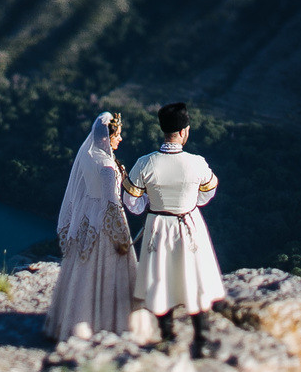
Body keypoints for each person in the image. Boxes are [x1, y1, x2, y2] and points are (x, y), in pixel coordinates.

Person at [122, 101, 224, 356]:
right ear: (183, 132)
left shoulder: (145, 163)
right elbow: (207, 192)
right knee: (194, 277)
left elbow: (132, 202)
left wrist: (153, 203)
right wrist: (189, 203)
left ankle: (168, 337)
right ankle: (201, 340)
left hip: (158, 225)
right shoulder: (197, 163)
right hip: (189, 224)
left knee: (160, 278)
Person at [43, 111, 138, 342]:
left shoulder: (87, 155)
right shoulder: (106, 164)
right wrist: (120, 236)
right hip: (104, 218)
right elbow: (110, 201)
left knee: (82, 270)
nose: (120, 140)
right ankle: (105, 321)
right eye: (118, 135)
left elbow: (83, 192)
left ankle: (73, 317)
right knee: (106, 270)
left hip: (86, 218)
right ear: (107, 136)